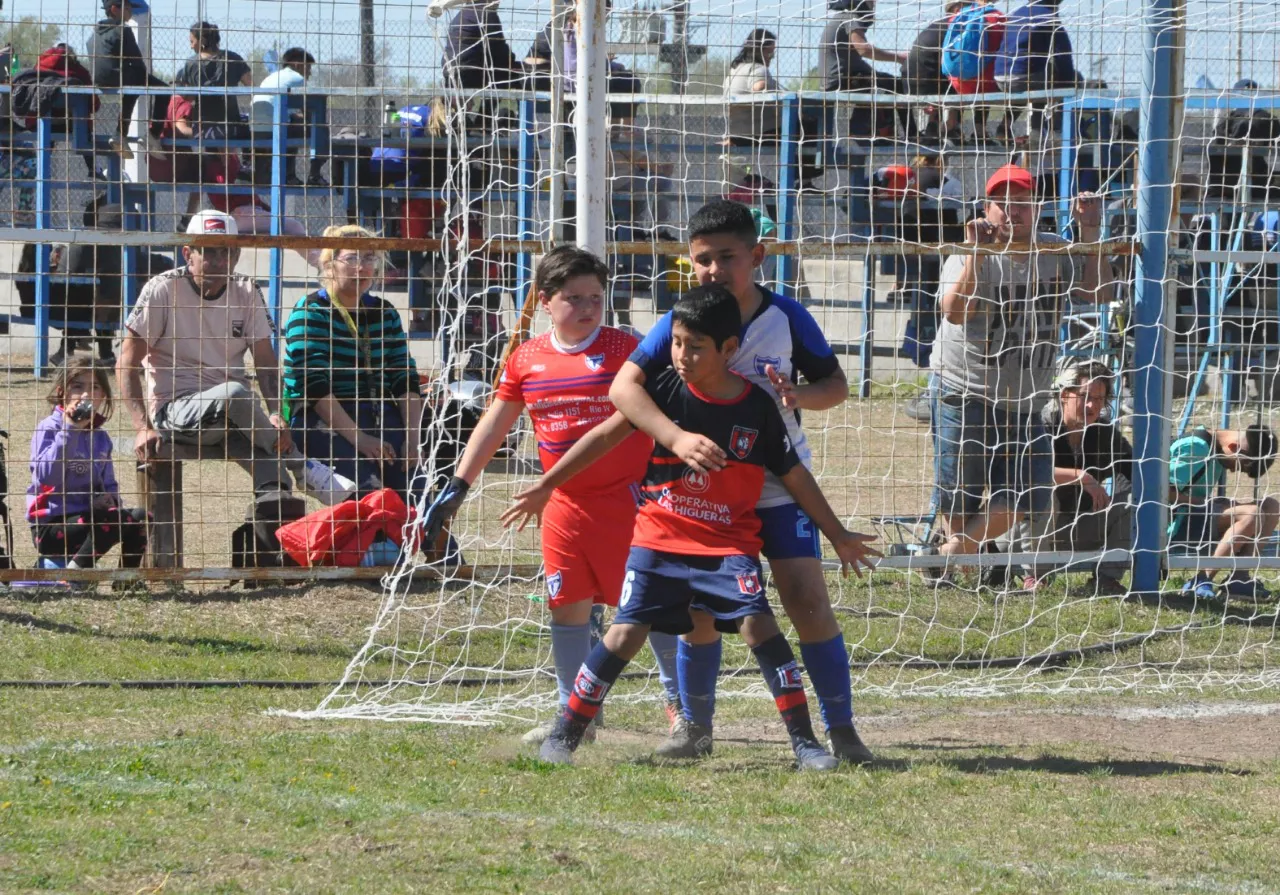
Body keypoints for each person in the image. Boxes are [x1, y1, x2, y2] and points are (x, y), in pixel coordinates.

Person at [530, 200, 880, 764]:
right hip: (696, 493)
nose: (713, 270)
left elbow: (835, 384)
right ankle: (694, 730)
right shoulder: (680, 321)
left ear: (756, 257)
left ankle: (841, 732)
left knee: (806, 600)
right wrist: (675, 438)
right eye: (701, 260)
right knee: (696, 615)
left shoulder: (787, 317)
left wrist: (800, 396)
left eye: (727, 258)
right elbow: (625, 393)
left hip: (775, 481)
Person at [419, 246, 676, 743]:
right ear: (543, 300)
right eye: (574, 297)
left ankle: (681, 710)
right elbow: (494, 425)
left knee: (648, 607)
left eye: (596, 297)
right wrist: (458, 486)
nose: (587, 307)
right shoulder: (527, 357)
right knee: (568, 606)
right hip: (561, 506)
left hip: (630, 502)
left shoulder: (630, 351)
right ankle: (576, 715)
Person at [926, 164, 1114, 586]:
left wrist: (1089, 232)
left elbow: (1099, 293)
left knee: (1028, 495)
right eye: (1003, 204)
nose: (1013, 212)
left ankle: (947, 555)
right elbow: (955, 312)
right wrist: (978, 253)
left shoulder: (1053, 249)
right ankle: (960, 569)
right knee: (961, 494)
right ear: (986, 209)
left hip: (1026, 397)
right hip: (965, 387)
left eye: (1023, 203)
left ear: (1038, 208)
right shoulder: (968, 251)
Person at [117, 211, 351, 518]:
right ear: (188, 253)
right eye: (209, 250)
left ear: (237, 255)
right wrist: (142, 427)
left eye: (226, 251)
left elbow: (267, 365)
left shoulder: (246, 290)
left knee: (277, 490)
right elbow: (126, 364)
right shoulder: (163, 289)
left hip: (240, 419)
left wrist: (276, 414)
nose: (218, 259)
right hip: (176, 410)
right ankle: (302, 465)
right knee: (236, 395)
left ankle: (267, 552)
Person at [283, 225, 425, 502]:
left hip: (382, 416)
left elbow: (404, 377)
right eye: (352, 258)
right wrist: (360, 439)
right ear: (329, 263)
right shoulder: (311, 311)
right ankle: (379, 545)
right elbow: (314, 386)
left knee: (422, 502)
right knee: (368, 498)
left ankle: (422, 545)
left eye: (369, 258)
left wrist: (412, 438)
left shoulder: (385, 312)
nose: (361, 267)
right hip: (323, 421)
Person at [26, 356, 148, 570]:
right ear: (61, 392)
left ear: (103, 396)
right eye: (77, 386)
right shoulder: (48, 428)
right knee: (109, 522)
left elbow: (108, 483)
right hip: (52, 528)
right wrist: (70, 430)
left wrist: (110, 500)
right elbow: (46, 477)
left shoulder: (100, 437)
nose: (86, 395)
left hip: (91, 519)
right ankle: (76, 575)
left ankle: (127, 581)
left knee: (140, 518)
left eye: (95, 387)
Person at [1040, 360, 1133, 593]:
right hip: (1028, 533)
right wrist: (1081, 477)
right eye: (1084, 396)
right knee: (1041, 493)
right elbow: (1028, 474)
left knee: (1133, 502)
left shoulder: (1104, 432)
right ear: (1064, 395)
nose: (1092, 405)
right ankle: (1035, 577)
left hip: (1079, 528)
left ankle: (1106, 579)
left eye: (1100, 399)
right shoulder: (1039, 427)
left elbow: (1132, 470)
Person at [1170, 422, 1279, 600]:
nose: (1234, 470)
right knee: (1251, 513)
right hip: (1173, 524)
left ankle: (1239, 579)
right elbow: (1162, 492)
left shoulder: (1217, 449)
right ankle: (1201, 579)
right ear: (1233, 447)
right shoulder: (1196, 448)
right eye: (1241, 464)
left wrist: (1219, 504)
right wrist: (1208, 504)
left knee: (1271, 507)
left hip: (1193, 517)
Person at [87, 0, 169, 157]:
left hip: (99, 79)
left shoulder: (96, 32)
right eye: (128, 7)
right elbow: (137, 61)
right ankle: (153, 134)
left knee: (134, 84)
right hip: (117, 75)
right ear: (114, 9)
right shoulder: (122, 29)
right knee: (162, 89)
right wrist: (144, 77)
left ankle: (120, 134)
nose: (131, 10)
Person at [819, 0, 909, 140]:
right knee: (892, 85)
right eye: (871, 3)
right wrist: (899, 57)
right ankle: (903, 134)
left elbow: (855, 60)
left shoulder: (844, 17)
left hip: (842, 76)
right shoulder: (851, 17)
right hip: (840, 79)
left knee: (885, 80)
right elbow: (863, 49)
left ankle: (876, 129)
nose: (873, 7)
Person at [250, 47, 330, 187]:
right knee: (320, 129)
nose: (309, 74)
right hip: (276, 128)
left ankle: (285, 175)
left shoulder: (272, 77)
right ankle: (314, 175)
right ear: (298, 65)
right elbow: (310, 114)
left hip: (254, 128)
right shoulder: (297, 78)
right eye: (308, 68)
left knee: (292, 125)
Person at [174, 21, 252, 138]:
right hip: (230, 127)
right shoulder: (233, 58)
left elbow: (187, 97)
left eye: (192, 42)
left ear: (202, 42)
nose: (191, 46)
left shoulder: (191, 64)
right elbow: (251, 85)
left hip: (202, 129)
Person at [443, 0, 523, 92]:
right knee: (518, 75)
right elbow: (501, 53)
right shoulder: (486, 13)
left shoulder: (462, 14)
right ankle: (488, 107)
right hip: (468, 72)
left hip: (450, 70)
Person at [723, 29, 780, 144]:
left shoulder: (735, 69)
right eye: (770, 53)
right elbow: (758, 87)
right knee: (811, 130)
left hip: (735, 133)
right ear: (759, 51)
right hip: (760, 132)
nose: (772, 57)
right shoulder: (759, 69)